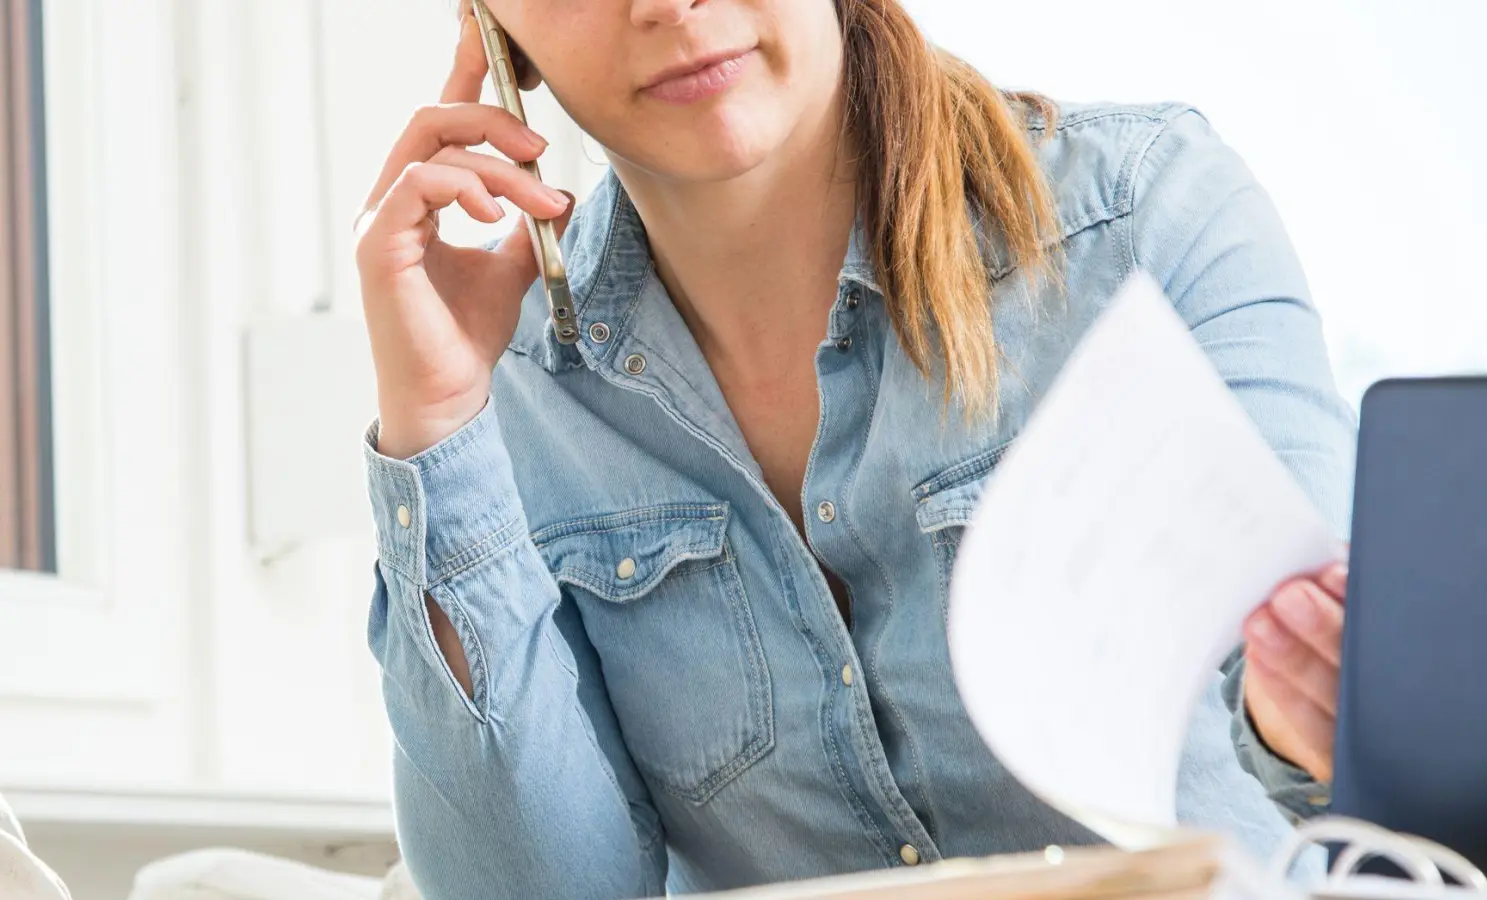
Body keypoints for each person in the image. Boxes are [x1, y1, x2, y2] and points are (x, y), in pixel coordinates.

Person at [353, 0, 1354, 896]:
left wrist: (1310, 710)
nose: (665, 4)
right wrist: (438, 425)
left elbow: (1359, 759)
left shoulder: (1143, 218)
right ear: (494, 31)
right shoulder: (513, 382)